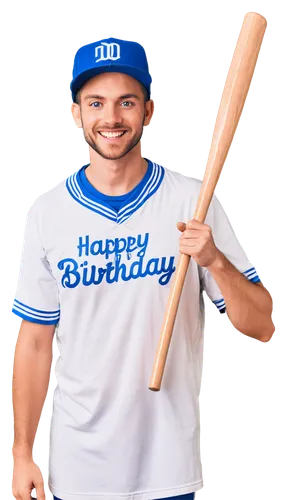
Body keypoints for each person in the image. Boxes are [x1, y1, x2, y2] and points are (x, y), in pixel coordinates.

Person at [9, 34, 276, 500]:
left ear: (149, 111)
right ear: (76, 113)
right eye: (96, 102)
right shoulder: (47, 213)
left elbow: (262, 326)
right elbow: (33, 343)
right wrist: (23, 456)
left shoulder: (194, 201)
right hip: (77, 472)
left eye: (126, 102)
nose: (111, 118)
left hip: (168, 470)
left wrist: (214, 261)